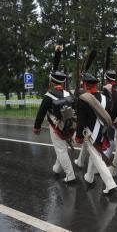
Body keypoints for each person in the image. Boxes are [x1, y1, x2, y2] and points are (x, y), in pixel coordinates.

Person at [33, 45, 76, 183]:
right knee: (62, 147)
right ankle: (57, 168)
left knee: (61, 149)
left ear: (52, 81)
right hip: (70, 124)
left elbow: (41, 113)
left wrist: (37, 127)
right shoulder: (68, 93)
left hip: (56, 125)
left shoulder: (48, 95)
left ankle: (70, 176)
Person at [75, 72, 117, 195]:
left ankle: (110, 184)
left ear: (85, 84)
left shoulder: (84, 99)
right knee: (96, 155)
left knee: (97, 158)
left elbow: (81, 120)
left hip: (90, 133)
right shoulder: (106, 98)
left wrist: (78, 136)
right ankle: (89, 177)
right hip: (103, 132)